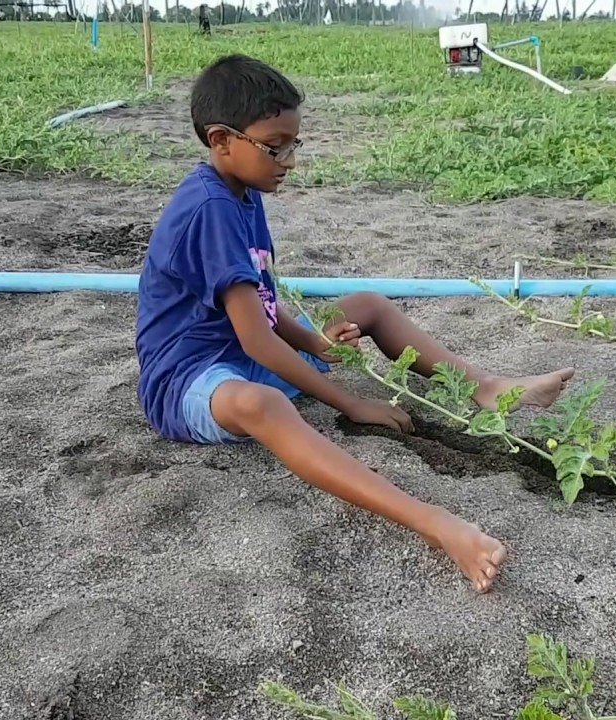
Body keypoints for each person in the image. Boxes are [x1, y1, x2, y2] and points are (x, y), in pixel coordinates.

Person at [135, 54, 575, 594]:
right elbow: (255, 336)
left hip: (241, 355)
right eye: (276, 145)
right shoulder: (208, 209)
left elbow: (266, 311)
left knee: (365, 304)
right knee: (263, 404)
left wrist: (316, 342)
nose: (289, 160)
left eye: (294, 143)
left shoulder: (243, 194)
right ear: (222, 140)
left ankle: (489, 389)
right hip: (189, 381)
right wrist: (349, 402)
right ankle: (434, 524)